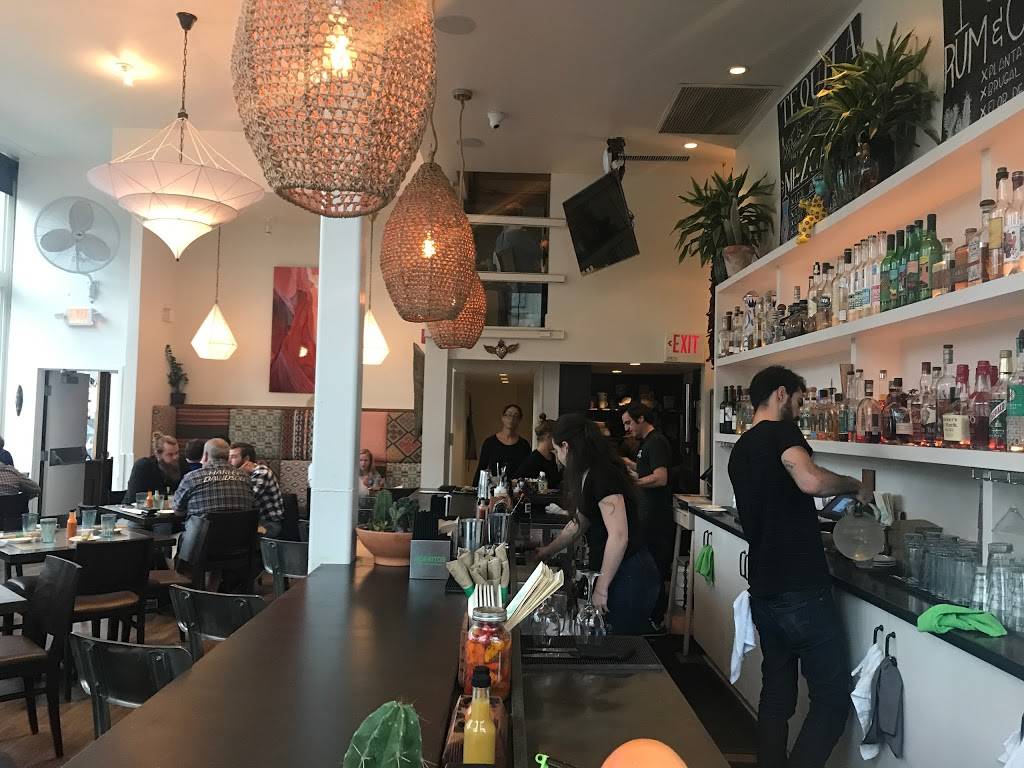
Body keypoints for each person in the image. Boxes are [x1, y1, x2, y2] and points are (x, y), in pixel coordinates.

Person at [728, 365, 868, 768]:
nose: (801, 408)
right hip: (801, 589)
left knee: (776, 696)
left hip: (764, 588)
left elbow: (775, 506)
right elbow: (810, 481)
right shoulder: (781, 432)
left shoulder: (740, 448)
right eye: (799, 400)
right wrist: (855, 485)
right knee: (832, 699)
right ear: (780, 393)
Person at [531, 414, 659, 634]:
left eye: (556, 451)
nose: (556, 457)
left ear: (566, 447)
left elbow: (619, 536)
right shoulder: (588, 474)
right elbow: (579, 522)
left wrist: (601, 588)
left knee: (622, 644)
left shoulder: (602, 475)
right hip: (620, 570)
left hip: (630, 573)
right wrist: (547, 551)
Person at [621, 403, 674, 629]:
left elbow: (661, 477)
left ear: (641, 418)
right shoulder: (647, 444)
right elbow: (647, 471)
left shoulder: (657, 441)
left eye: (628, 423)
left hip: (656, 518)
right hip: (646, 515)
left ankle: (655, 620)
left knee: (654, 569)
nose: (627, 428)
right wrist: (629, 465)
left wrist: (633, 483)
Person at [173, 438, 254, 519]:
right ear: (228, 457)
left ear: (206, 456)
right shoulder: (246, 478)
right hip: (240, 527)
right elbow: (252, 506)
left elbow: (178, 511)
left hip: (201, 527)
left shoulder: (191, 478)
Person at [229, 442, 285, 538]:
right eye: (229, 456)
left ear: (246, 459)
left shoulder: (262, 472)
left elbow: (247, 499)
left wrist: (239, 474)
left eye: (233, 457)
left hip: (267, 525)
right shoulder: (237, 473)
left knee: (234, 533)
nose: (229, 460)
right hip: (252, 521)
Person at [474, 404, 531, 483]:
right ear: (503, 417)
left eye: (516, 416)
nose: (512, 419)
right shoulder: (490, 443)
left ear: (519, 420)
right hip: (494, 488)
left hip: (516, 488)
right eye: (509, 415)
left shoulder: (524, 445)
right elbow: (481, 468)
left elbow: (528, 471)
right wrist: (475, 488)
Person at [126, 433, 186, 500]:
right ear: (158, 454)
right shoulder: (143, 466)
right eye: (170, 454)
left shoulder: (181, 464)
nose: (175, 457)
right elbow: (134, 497)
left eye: (176, 453)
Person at [513, 414, 561, 488]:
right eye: (557, 436)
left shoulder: (552, 456)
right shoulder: (533, 459)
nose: (559, 440)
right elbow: (517, 481)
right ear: (548, 436)